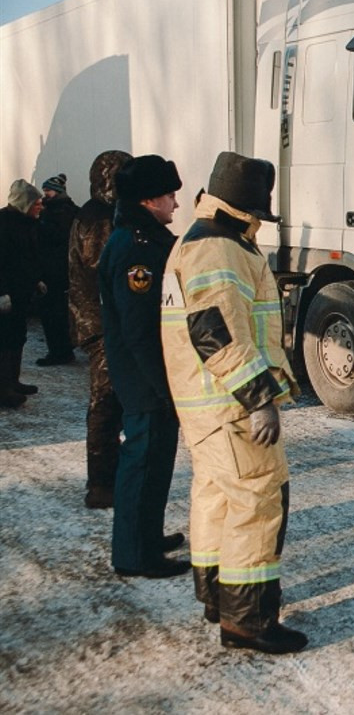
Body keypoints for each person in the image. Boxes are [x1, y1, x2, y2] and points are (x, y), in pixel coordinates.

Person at [162, 151, 306, 653]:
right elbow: (215, 333)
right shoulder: (219, 249)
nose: (260, 228)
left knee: (218, 497)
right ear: (244, 211)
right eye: (258, 217)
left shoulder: (197, 242)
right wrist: (258, 399)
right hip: (230, 406)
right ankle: (248, 622)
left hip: (208, 407)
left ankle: (218, 599)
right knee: (258, 500)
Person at [98, 155, 189, 579]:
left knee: (155, 461)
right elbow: (138, 330)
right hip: (145, 377)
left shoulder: (143, 238)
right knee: (143, 461)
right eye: (170, 195)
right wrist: (161, 384)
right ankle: (135, 553)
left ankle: (146, 535)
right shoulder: (137, 246)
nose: (175, 203)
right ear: (151, 200)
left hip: (148, 376)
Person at [70, 151, 130, 509]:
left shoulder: (102, 214)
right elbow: (103, 265)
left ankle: (107, 475)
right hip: (101, 322)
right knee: (105, 403)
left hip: (101, 320)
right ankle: (101, 483)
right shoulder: (98, 218)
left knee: (110, 402)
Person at [0, 180, 46, 408]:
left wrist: (36, 280)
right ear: (24, 204)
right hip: (8, 294)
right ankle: (3, 388)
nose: (41, 207)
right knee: (5, 339)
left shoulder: (28, 223)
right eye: (36, 203)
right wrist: (2, 292)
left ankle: (12, 381)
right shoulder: (4, 224)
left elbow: (27, 258)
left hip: (21, 292)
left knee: (18, 337)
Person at [36, 173, 78, 366]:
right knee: (60, 312)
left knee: (53, 313)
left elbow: (53, 238)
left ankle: (59, 351)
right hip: (62, 269)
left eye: (48, 190)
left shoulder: (55, 213)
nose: (45, 194)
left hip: (54, 270)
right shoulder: (71, 210)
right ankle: (63, 349)